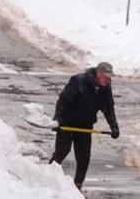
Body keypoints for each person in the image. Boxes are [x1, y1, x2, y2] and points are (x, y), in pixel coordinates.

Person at [49, 62, 119, 191]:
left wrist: (114, 126)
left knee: (84, 156)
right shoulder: (79, 81)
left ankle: (78, 186)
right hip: (67, 122)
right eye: (106, 76)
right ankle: (46, 176)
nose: (108, 80)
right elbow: (63, 101)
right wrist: (57, 119)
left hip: (85, 125)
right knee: (62, 150)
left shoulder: (106, 88)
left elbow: (108, 108)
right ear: (98, 74)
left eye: (109, 77)